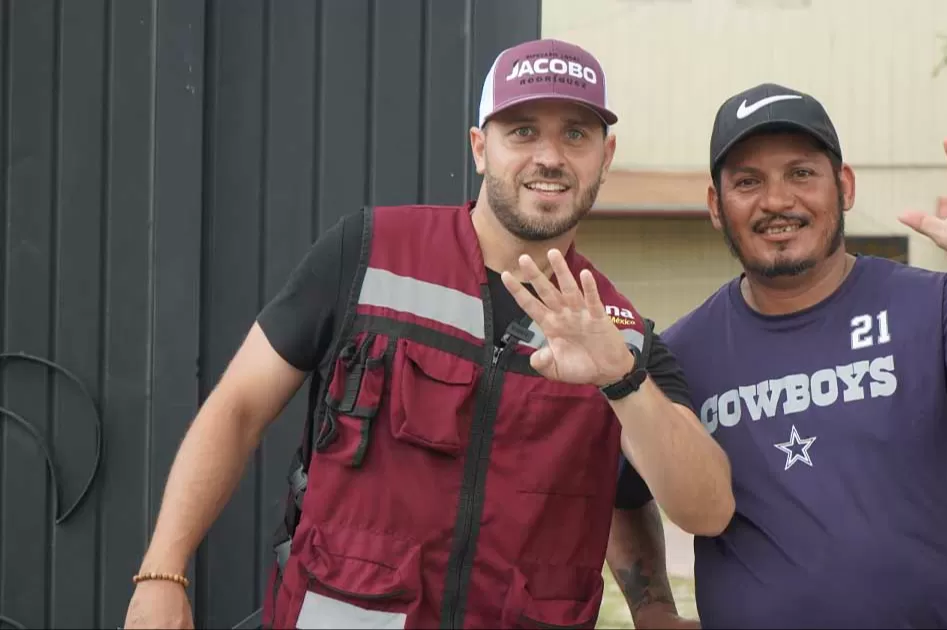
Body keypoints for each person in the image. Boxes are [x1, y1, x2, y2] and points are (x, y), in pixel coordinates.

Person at [121, 38, 732, 630]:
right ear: (480, 148)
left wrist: (623, 381)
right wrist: (161, 573)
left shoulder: (623, 335)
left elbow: (702, 508)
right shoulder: (367, 253)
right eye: (522, 131)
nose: (550, 156)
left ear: (606, 155)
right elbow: (238, 408)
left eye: (576, 134)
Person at [605, 82, 947, 629]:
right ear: (715, 206)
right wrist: (652, 609)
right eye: (748, 182)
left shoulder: (936, 308)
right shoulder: (680, 353)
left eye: (801, 173)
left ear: (843, 186)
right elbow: (619, 491)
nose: (777, 200)